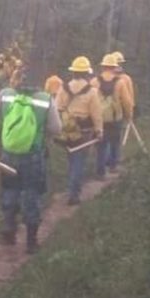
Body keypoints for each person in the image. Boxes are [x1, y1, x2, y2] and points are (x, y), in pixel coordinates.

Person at [0, 68, 61, 254]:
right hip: (34, 156)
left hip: (8, 154)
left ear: (15, 80)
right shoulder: (45, 99)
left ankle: (9, 230)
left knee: (10, 190)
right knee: (32, 194)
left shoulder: (5, 94)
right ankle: (31, 241)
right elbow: (57, 128)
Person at [55, 56, 103, 205]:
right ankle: (73, 194)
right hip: (84, 131)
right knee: (79, 161)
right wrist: (99, 130)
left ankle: (70, 187)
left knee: (71, 159)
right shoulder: (92, 92)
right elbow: (96, 114)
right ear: (86, 73)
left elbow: (57, 108)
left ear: (74, 72)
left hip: (66, 130)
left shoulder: (63, 88)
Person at [93, 54, 134, 176]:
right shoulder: (120, 82)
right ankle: (113, 166)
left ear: (103, 66)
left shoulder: (94, 81)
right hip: (115, 118)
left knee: (101, 145)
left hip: (99, 118)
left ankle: (100, 172)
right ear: (114, 67)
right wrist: (129, 115)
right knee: (115, 142)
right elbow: (127, 102)